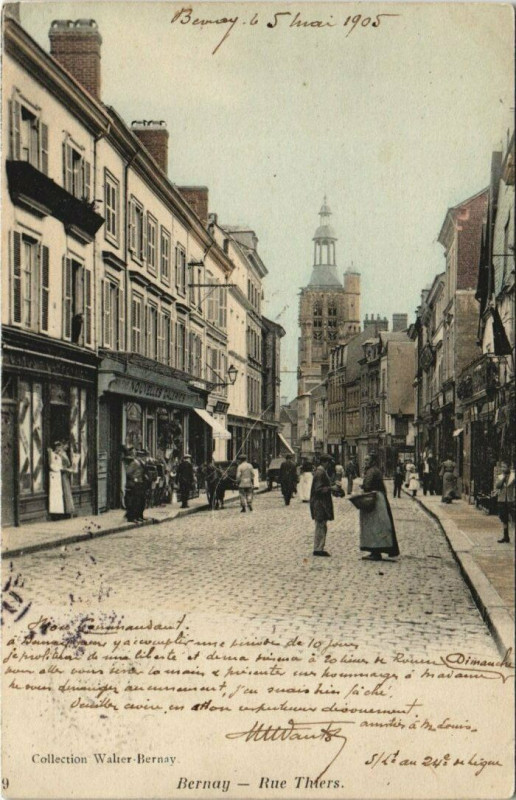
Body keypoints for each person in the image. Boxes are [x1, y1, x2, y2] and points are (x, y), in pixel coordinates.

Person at [359, 452, 400, 561]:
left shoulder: (371, 471)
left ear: (372, 461)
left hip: (374, 500)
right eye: (365, 460)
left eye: (367, 460)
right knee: (379, 526)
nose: (365, 462)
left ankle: (375, 551)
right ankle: (377, 550)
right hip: (380, 498)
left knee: (374, 526)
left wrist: (362, 486)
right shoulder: (376, 470)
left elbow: (367, 485)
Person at [310, 454, 334, 557]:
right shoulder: (320, 472)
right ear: (325, 462)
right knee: (320, 525)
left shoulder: (321, 471)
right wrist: (331, 488)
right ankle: (318, 549)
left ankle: (319, 547)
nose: (329, 465)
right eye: (328, 463)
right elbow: (318, 489)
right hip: (320, 503)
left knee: (322, 525)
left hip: (321, 502)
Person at [48, 441, 74, 517]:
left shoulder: (59, 455)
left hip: (58, 476)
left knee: (59, 494)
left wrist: (63, 468)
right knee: (55, 495)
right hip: (54, 476)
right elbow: (52, 465)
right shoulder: (52, 454)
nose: (59, 448)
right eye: (58, 447)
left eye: (60, 447)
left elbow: (62, 464)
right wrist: (61, 469)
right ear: (55, 447)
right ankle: (55, 513)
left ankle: (59, 512)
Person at [124, 445, 146, 522]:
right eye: (142, 456)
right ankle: (132, 517)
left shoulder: (141, 463)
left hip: (140, 483)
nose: (143, 458)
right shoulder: (135, 463)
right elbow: (128, 472)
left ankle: (138, 516)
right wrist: (134, 478)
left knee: (140, 501)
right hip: (135, 484)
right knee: (135, 501)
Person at [495, 463, 515, 544]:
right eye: (502, 467)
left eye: (505, 467)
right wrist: (503, 478)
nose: (503, 468)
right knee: (504, 519)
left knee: (513, 519)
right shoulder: (500, 476)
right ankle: (506, 536)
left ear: (509, 467)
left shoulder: (513, 476)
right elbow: (498, 486)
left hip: (511, 500)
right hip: (502, 500)